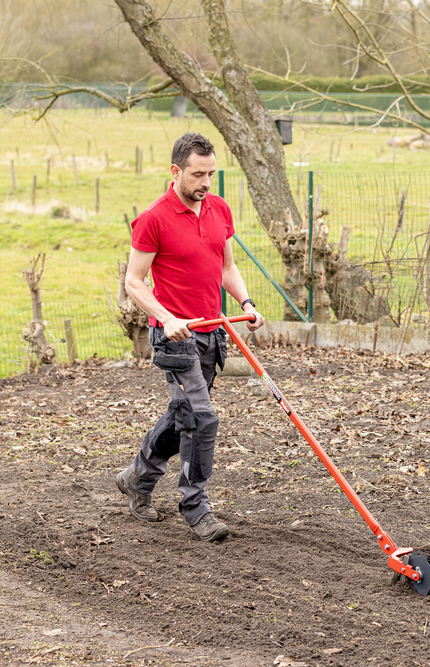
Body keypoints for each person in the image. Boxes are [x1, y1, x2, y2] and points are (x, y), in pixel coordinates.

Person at [116, 132, 265, 542]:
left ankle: (136, 478)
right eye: (198, 174)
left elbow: (226, 267)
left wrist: (247, 302)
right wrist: (165, 318)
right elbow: (134, 282)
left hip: (211, 333)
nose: (206, 182)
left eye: (211, 174)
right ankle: (195, 505)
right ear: (176, 170)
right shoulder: (154, 218)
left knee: (184, 414)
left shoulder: (219, 208)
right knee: (202, 418)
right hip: (175, 337)